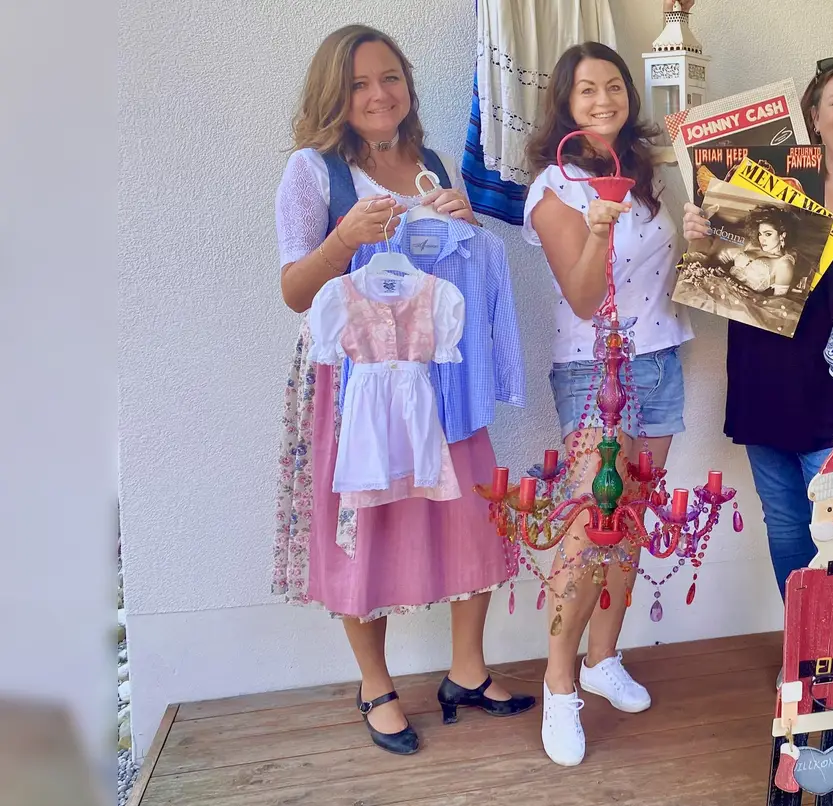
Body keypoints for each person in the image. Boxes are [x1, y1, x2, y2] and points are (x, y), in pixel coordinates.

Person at [272, 24, 533, 755]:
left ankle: (468, 671)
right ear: (335, 95)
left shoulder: (433, 163)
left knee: (472, 516)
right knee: (367, 524)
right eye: (358, 84)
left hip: (439, 370)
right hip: (353, 380)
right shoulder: (312, 172)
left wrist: (465, 220)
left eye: (389, 77)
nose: (378, 94)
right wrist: (343, 240)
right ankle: (375, 684)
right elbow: (295, 290)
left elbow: (457, 264)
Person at [683, 55, 833, 596]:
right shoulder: (767, 185)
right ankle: (803, 652)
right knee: (788, 524)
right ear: (813, 117)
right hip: (764, 380)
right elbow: (715, 271)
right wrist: (701, 234)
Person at [522, 41, 694, 767]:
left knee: (629, 524)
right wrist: (596, 229)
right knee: (591, 531)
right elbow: (587, 296)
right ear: (565, 102)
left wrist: (706, 237)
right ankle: (560, 688)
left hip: (658, 361)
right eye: (586, 90)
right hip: (594, 371)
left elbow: (664, 272)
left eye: (614, 87)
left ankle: (602, 660)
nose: (603, 100)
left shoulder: (648, 174)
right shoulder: (554, 188)